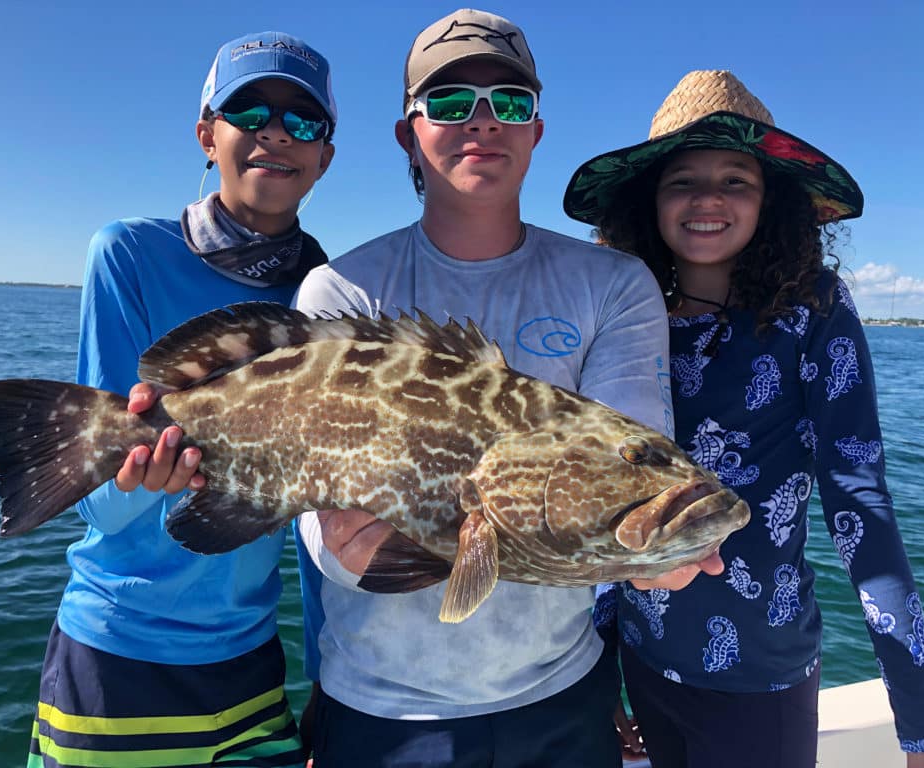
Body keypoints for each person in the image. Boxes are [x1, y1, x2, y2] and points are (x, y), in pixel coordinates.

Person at [292, 10, 722, 768]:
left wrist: (653, 552)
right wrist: (343, 546)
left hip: (562, 699)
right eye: (452, 104)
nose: (482, 123)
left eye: (510, 104)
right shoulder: (342, 292)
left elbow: (627, 458)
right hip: (379, 709)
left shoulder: (615, 285)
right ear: (409, 135)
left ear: (536, 131)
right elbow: (320, 510)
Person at [563, 69, 924, 767]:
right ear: (649, 202)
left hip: (764, 675)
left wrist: (920, 719)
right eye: (682, 180)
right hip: (643, 661)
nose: (708, 198)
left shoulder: (815, 310)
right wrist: (599, 673)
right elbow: (608, 507)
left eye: (736, 180)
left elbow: (860, 503)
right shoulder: (627, 316)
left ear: (774, 201)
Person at [26, 31, 336, 768]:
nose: (275, 133)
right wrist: (141, 477)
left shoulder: (330, 293)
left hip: (252, 659)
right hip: (118, 655)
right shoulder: (129, 252)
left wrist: (330, 674)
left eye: (303, 121)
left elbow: (321, 507)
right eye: (249, 112)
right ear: (207, 134)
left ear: (325, 155)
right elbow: (100, 500)